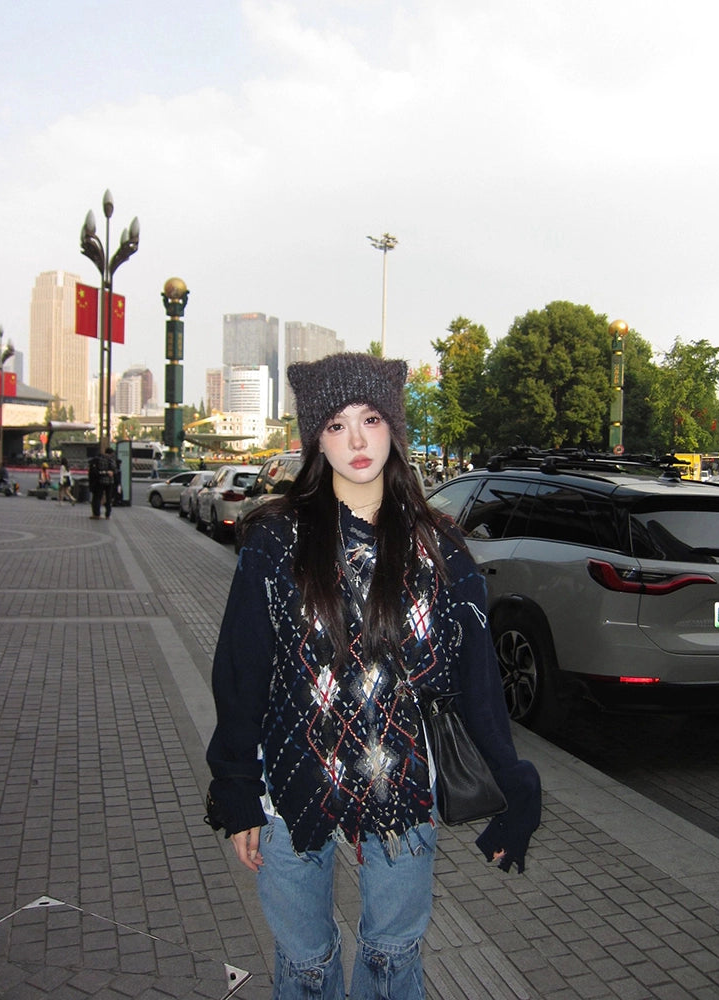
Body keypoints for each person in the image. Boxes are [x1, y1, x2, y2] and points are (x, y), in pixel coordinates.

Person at [205, 353, 541, 1000]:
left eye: (371, 419)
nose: (357, 440)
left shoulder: (440, 547)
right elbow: (241, 673)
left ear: (394, 426)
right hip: (290, 781)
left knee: (392, 957)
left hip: (404, 786)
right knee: (305, 963)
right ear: (316, 437)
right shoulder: (276, 539)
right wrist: (236, 786)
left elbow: (475, 682)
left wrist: (513, 780)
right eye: (336, 424)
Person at [88, 448, 116, 519]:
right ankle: (108, 515)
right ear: (111, 453)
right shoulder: (112, 460)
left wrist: (104, 473)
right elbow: (115, 470)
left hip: (100, 481)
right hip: (110, 482)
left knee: (97, 497)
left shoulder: (100, 459)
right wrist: (110, 472)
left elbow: (96, 471)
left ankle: (97, 514)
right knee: (108, 498)